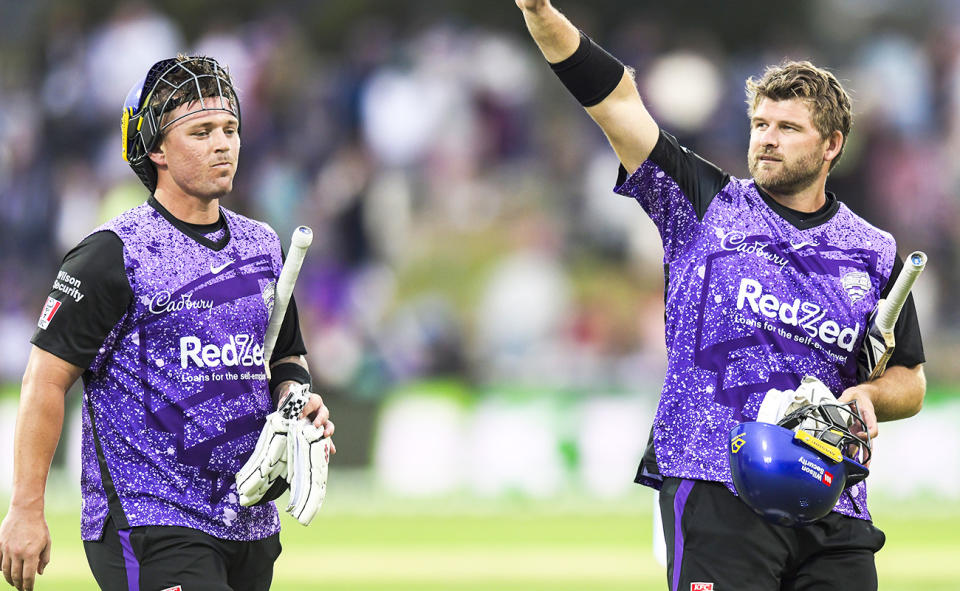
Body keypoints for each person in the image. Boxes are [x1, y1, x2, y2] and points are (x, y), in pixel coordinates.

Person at [516, 1, 926, 589]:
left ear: (831, 145)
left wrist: (869, 395)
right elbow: (615, 103)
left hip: (833, 501)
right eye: (760, 125)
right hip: (715, 487)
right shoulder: (704, 205)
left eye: (788, 128)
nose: (767, 140)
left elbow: (909, 378)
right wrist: (539, 11)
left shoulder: (875, 250)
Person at [0, 55, 335, 591]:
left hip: (247, 519)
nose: (222, 144)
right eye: (201, 132)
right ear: (156, 148)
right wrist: (25, 508)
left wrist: (297, 402)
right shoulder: (111, 253)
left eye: (230, 129)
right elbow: (45, 379)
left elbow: (286, 357)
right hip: (148, 519)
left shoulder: (264, 246)